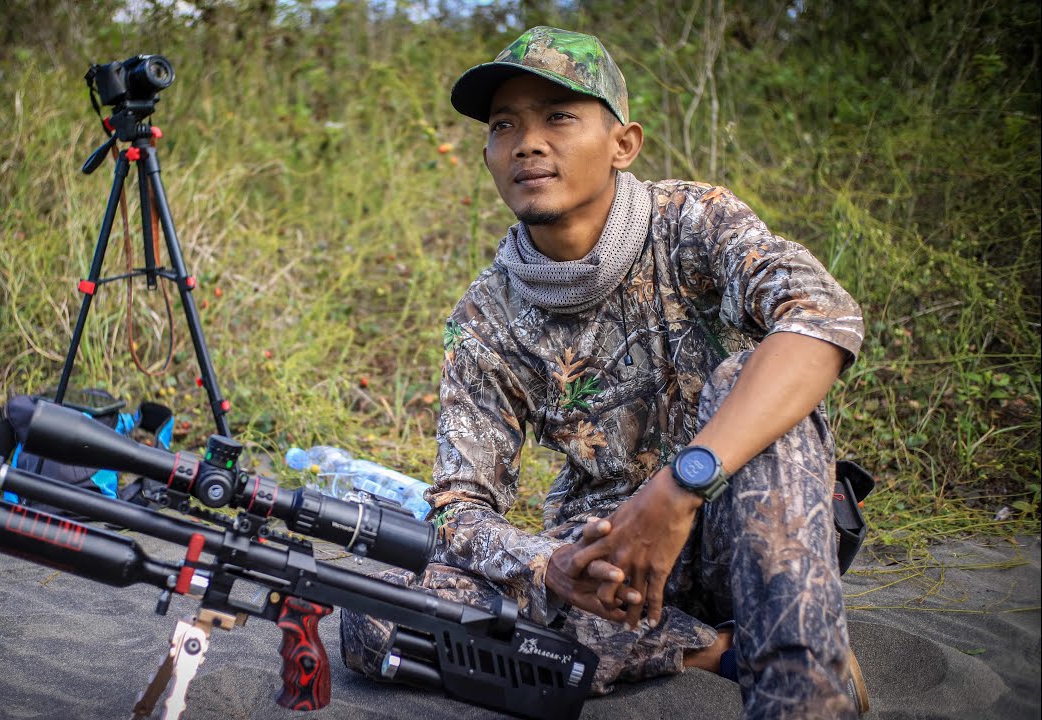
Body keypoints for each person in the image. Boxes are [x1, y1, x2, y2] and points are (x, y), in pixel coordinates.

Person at [340, 26, 869, 718]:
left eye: (559, 116)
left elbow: (823, 318)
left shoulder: (695, 222)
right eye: (506, 126)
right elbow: (459, 509)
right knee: (371, 611)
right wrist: (549, 567)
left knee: (747, 376)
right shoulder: (485, 315)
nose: (528, 142)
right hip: (607, 568)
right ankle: (716, 651)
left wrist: (680, 486)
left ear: (624, 144)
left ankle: (801, 691)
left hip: (748, 529)